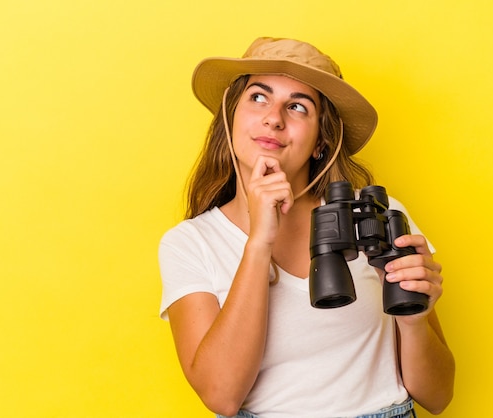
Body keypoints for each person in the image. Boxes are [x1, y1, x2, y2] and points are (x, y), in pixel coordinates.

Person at [159, 37, 455, 418]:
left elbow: (439, 395)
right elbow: (222, 397)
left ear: (321, 141)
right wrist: (258, 243)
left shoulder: (376, 215)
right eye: (258, 97)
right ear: (231, 117)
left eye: (298, 106)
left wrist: (413, 323)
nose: (274, 118)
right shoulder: (190, 243)